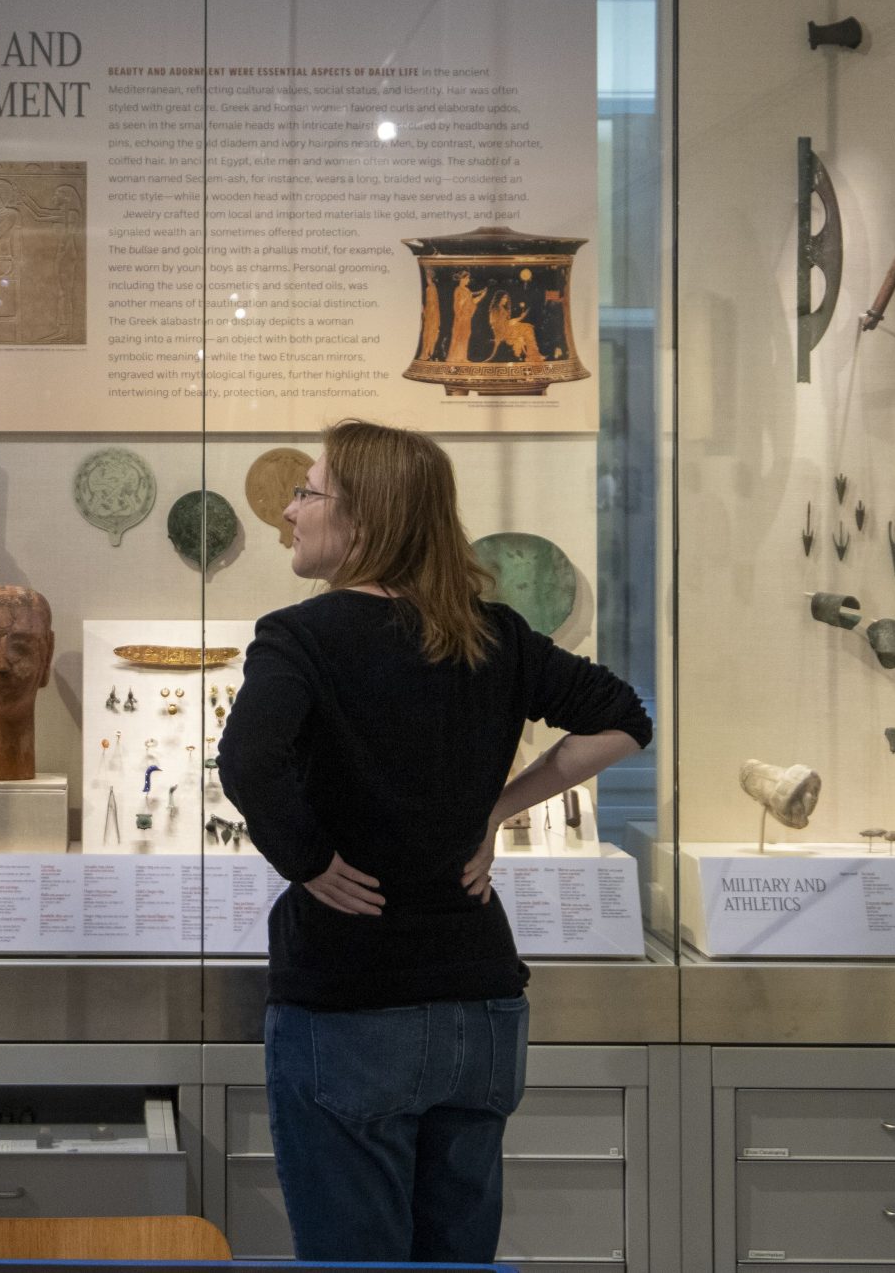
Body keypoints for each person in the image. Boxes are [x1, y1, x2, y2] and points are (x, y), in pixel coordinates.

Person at [218, 419, 651, 1264]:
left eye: (308, 493)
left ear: (366, 521)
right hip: (478, 1004)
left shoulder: (301, 637)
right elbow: (625, 721)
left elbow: (247, 761)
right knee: (457, 1262)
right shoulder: (492, 632)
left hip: (355, 999)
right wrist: (497, 807)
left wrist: (307, 861)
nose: (292, 513)